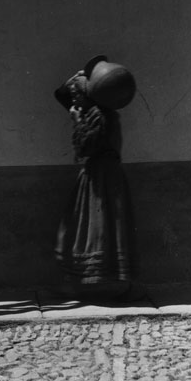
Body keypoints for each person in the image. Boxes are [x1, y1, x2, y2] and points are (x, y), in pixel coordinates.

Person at [53, 56, 138, 300]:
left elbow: (86, 147)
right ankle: (91, 284)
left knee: (99, 228)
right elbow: (62, 95)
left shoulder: (99, 117)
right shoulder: (96, 112)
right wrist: (78, 77)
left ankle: (101, 285)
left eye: (78, 96)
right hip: (98, 176)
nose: (74, 101)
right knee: (88, 227)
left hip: (102, 179)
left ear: (89, 97)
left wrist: (77, 122)